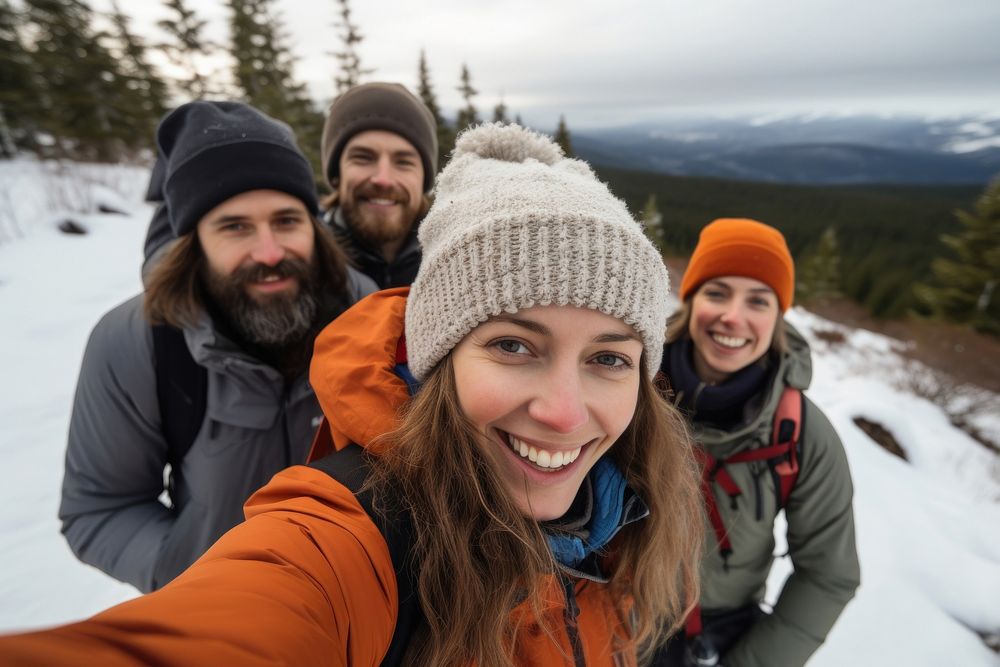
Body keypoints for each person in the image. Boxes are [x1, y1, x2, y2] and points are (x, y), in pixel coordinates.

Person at [3, 123, 705, 666]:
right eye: (513, 345)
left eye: (609, 357)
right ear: (433, 362)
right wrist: (192, 562)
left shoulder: (631, 505)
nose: (563, 409)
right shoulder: (364, 537)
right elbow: (257, 608)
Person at [58, 101, 377, 593]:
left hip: (364, 611)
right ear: (194, 241)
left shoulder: (370, 319)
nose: (270, 252)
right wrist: (195, 578)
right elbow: (100, 508)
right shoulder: (136, 342)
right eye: (235, 227)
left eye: (287, 221)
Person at [653, 218, 860, 667]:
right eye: (717, 292)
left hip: (718, 635)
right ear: (690, 300)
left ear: (778, 316)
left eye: (758, 301)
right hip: (596, 616)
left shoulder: (803, 435)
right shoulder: (629, 388)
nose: (733, 317)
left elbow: (829, 574)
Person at [319, 81, 438, 288]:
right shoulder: (305, 269)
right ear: (337, 173)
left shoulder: (456, 266)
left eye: (403, 162)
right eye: (363, 158)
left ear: (423, 180)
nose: (383, 179)